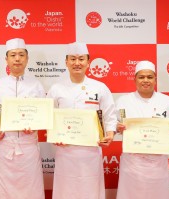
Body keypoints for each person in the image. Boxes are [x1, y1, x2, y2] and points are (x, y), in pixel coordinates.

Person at [46, 42, 117, 199]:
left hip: (91, 150)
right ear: (66, 62)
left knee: (90, 189)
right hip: (65, 151)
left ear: (88, 62)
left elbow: (110, 115)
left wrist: (110, 135)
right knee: (66, 189)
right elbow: (48, 117)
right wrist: (54, 136)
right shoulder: (56, 88)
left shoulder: (100, 87)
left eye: (81, 59)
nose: (77, 63)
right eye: (72, 59)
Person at [0, 38, 45, 199]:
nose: (17, 59)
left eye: (21, 55)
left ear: (27, 59)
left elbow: (42, 115)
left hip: (28, 148)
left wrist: (36, 125)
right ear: (6, 59)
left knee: (30, 190)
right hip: (4, 146)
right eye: (13, 55)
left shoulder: (36, 85)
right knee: (1, 191)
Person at [115, 61, 169, 199]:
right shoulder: (123, 101)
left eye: (150, 77)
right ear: (134, 79)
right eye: (141, 77)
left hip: (157, 163)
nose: (146, 80)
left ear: (155, 79)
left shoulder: (167, 102)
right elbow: (113, 125)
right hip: (132, 163)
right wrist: (117, 127)